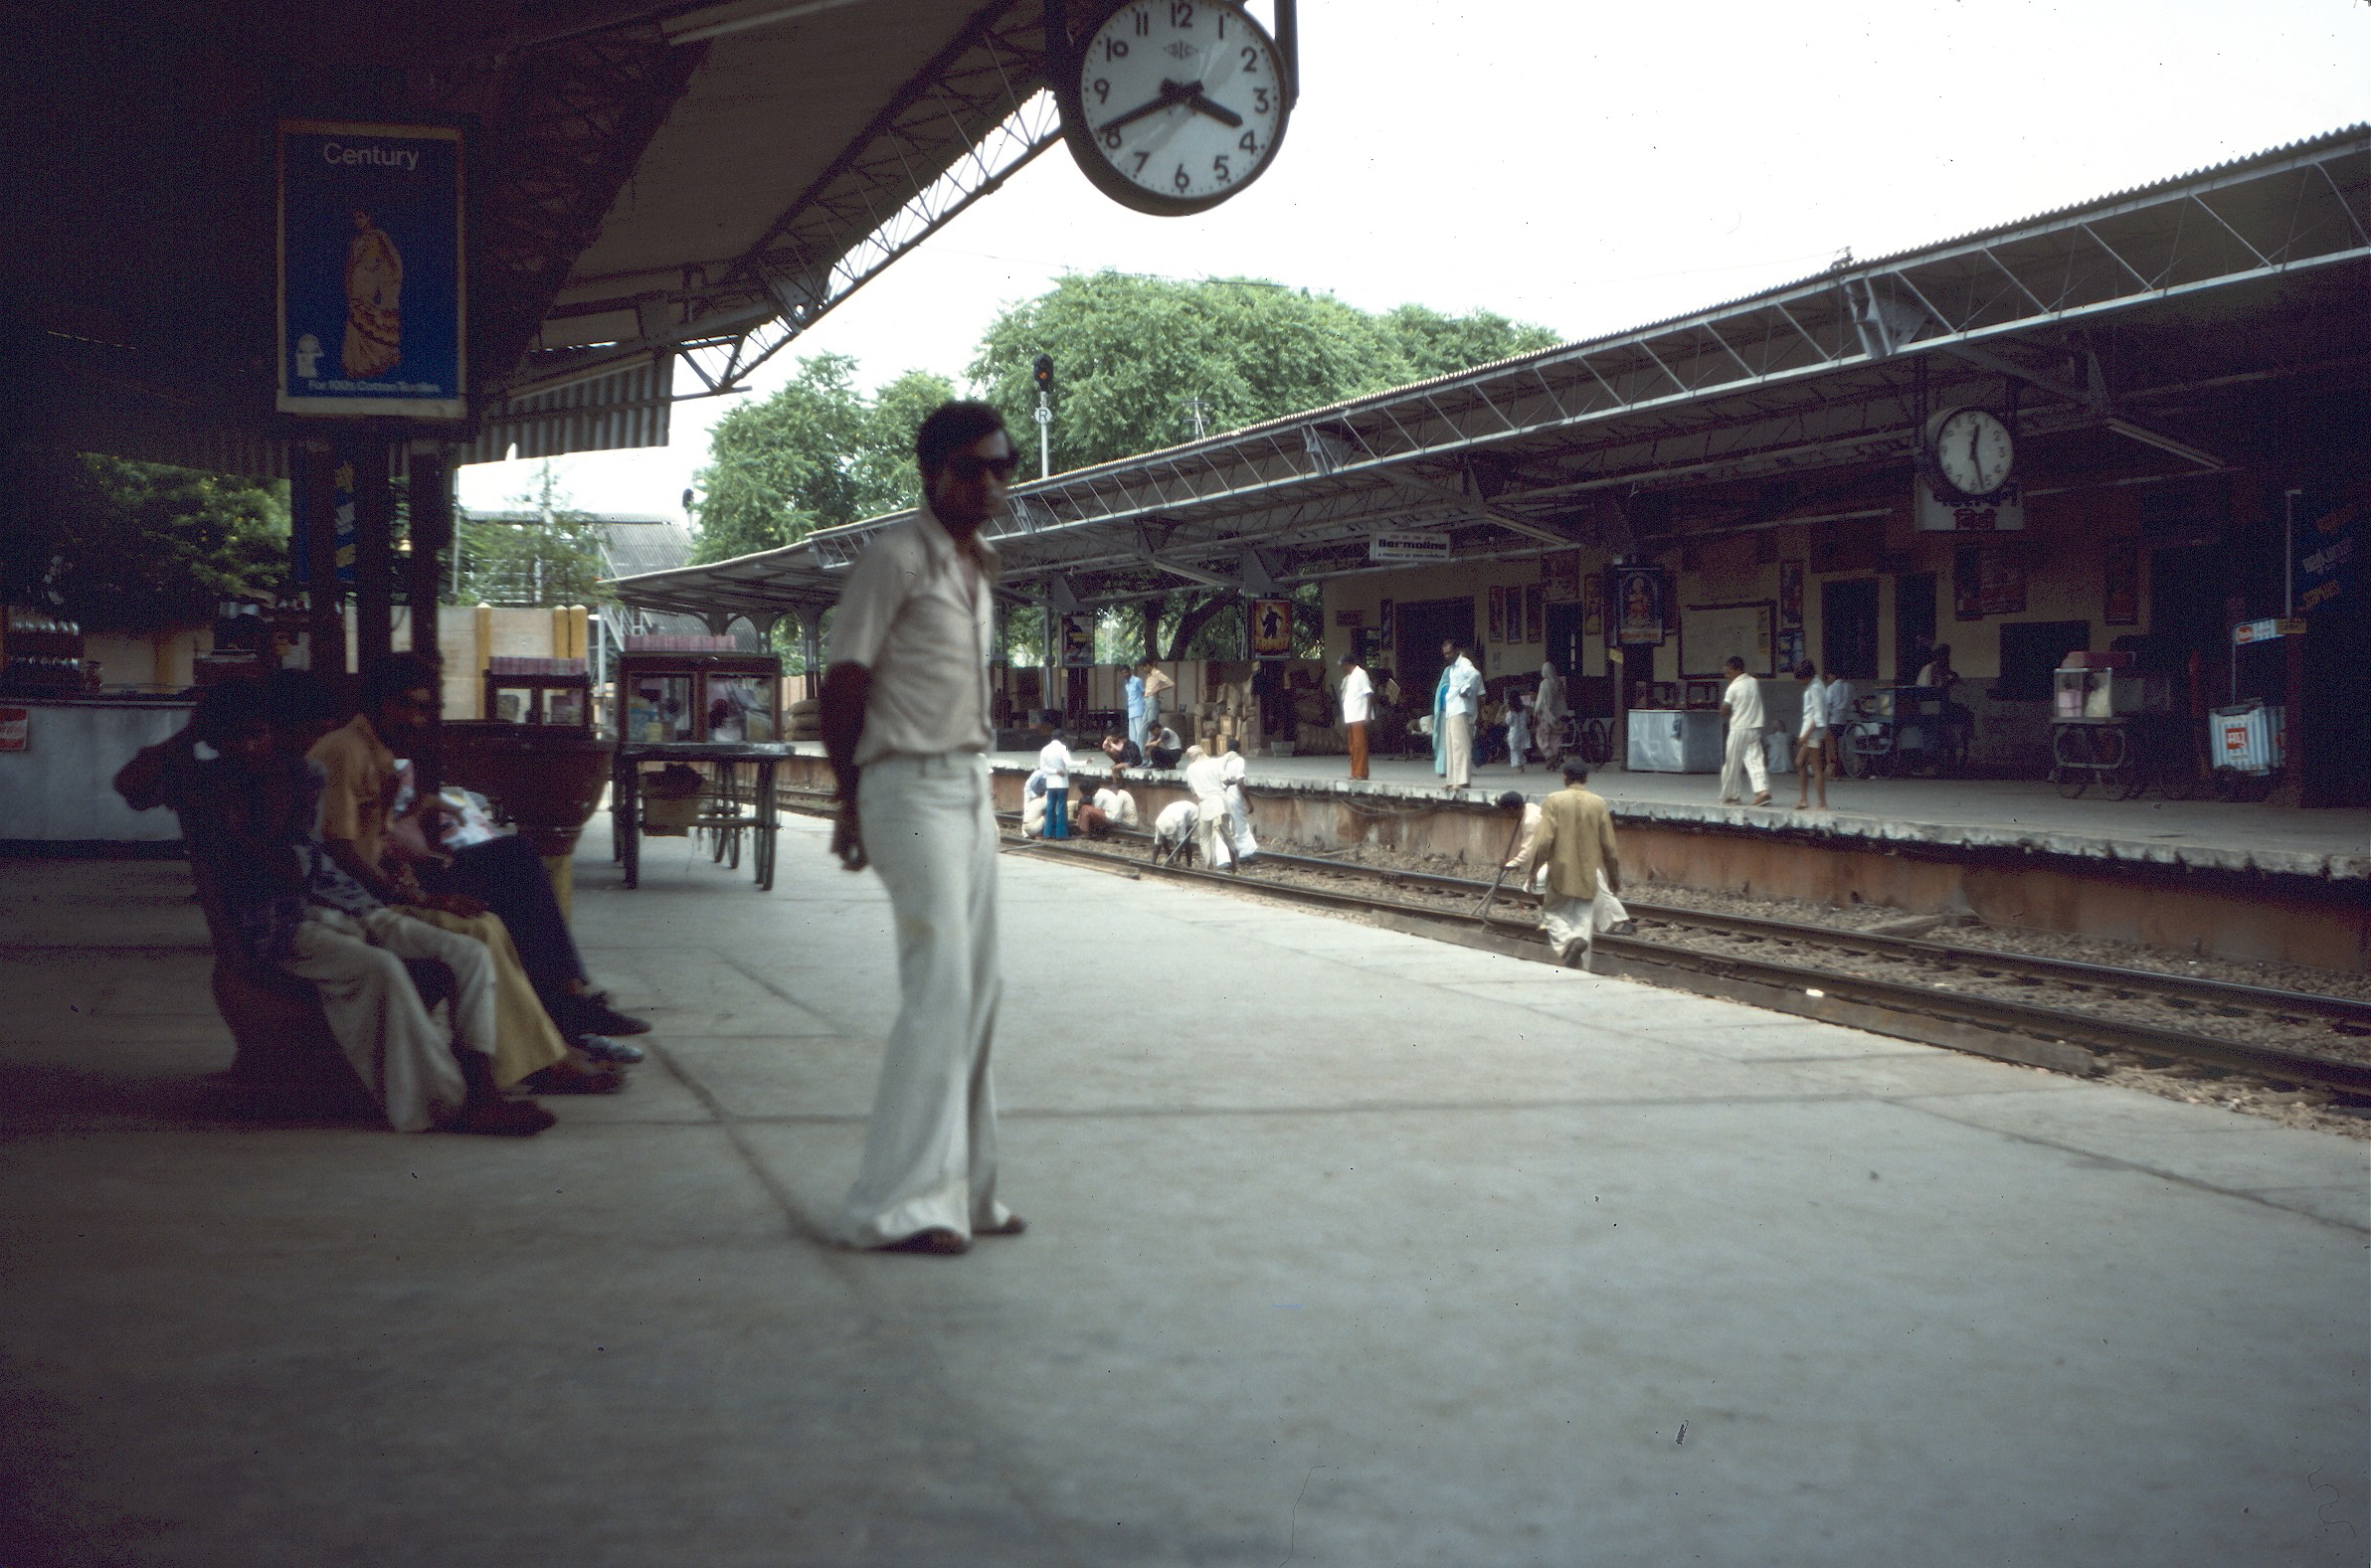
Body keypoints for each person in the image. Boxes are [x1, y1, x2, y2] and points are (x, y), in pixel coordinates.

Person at [116, 680, 554, 1134]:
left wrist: (396, 901)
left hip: (347, 908)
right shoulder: (205, 782)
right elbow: (129, 785)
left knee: (470, 953)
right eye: (289, 735)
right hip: (282, 928)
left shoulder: (304, 776)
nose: (305, 746)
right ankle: (451, 1104)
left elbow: (304, 862)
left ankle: (484, 1089)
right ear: (254, 732)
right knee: (382, 969)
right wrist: (193, 735)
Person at [821, 400, 1026, 1256]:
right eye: (973, 467)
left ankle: (970, 1192)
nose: (990, 482)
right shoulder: (894, 558)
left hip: (968, 789)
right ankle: (896, 1204)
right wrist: (847, 796)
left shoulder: (979, 565)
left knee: (979, 989)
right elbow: (844, 681)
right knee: (939, 988)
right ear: (933, 472)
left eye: (1002, 466)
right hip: (906, 788)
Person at [315, 653, 649, 1058]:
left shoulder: (381, 752)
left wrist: (418, 860)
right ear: (382, 702)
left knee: (514, 860)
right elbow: (339, 848)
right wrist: (416, 896)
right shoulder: (344, 751)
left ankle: (569, 1004)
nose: (419, 719)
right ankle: (567, 1016)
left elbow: (376, 838)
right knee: (509, 889)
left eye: (427, 708)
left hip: (393, 881)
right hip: (368, 898)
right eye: (411, 706)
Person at [1528, 761, 1631, 967]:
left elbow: (1544, 840)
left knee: (1552, 913)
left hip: (1560, 872)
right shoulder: (1598, 803)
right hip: (1588, 874)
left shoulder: (1553, 800)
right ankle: (1580, 968)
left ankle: (1568, 941)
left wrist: (1534, 869)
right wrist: (1613, 877)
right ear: (1586, 779)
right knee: (1583, 919)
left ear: (1564, 776)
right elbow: (1609, 847)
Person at [1718, 655, 1772, 806]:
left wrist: (1722, 711)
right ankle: (1763, 791)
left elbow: (1724, 710)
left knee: (1732, 764)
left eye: (1728, 673)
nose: (1727, 676)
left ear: (1737, 670)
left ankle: (1731, 796)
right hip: (1754, 728)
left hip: (1738, 729)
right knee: (1755, 761)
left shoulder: (1733, 687)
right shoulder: (1753, 682)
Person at [1181, 744, 1238, 871]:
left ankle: (1210, 867)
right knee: (1227, 836)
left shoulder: (1190, 769)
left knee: (1205, 839)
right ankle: (1235, 867)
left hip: (1205, 806)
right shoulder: (1215, 763)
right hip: (1221, 804)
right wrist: (1232, 781)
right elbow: (1226, 781)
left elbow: (1193, 792)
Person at [1435, 641, 1483, 790]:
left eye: (1450, 652)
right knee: (1450, 746)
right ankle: (1452, 780)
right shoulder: (1451, 669)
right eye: (1445, 654)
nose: (1448, 656)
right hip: (1451, 710)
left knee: (1460, 746)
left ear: (1456, 650)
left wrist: (1465, 689)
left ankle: (1462, 780)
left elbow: (1475, 674)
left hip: (1460, 709)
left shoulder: (1464, 663)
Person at [1035, 714, 1084, 840]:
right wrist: (1084, 762)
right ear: (1062, 738)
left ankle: (1047, 833)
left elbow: (1042, 767)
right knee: (1062, 807)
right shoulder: (1063, 748)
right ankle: (1061, 834)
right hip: (1062, 783)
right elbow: (1069, 764)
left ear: (1052, 737)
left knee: (1050, 807)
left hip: (1050, 783)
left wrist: (1053, 771)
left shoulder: (1045, 749)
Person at [1792, 659, 1830, 811]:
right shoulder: (1815, 685)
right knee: (1800, 762)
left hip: (1813, 733)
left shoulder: (1815, 688)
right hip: (1811, 732)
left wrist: (1805, 736)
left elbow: (1817, 715)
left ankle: (1821, 803)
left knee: (1816, 768)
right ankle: (1803, 799)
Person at [1338, 652, 1373, 781]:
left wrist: (1367, 714)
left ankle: (1361, 772)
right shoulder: (1351, 676)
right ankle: (1354, 771)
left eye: (1342, 665)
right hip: (1351, 716)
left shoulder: (1360, 674)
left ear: (1348, 664)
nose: (1342, 668)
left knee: (1360, 745)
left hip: (1359, 715)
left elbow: (1369, 694)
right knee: (1352, 746)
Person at [1219, 747, 1258, 864]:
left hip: (1222, 798)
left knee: (1226, 827)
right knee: (1241, 825)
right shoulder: (1239, 760)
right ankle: (1245, 854)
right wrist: (1249, 802)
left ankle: (1225, 857)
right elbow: (1240, 782)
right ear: (1239, 748)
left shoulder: (1222, 760)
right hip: (1234, 798)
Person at [1535, 660, 1567, 762]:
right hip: (1558, 715)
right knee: (1556, 736)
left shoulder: (1544, 684)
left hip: (1546, 714)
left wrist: (1536, 713)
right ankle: (1556, 754)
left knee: (1542, 736)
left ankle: (1549, 755)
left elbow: (1541, 701)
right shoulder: (1558, 683)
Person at [1150, 798, 1200, 865]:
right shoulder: (1159, 822)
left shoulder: (1179, 821)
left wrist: (1177, 861)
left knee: (1187, 841)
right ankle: (1170, 857)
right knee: (1162, 838)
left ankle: (1189, 864)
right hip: (1177, 812)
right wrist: (1152, 862)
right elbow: (1158, 843)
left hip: (1192, 815)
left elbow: (1181, 840)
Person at [1505, 691, 1534, 775]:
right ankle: (1521, 765)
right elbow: (1528, 720)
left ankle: (1518, 766)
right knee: (1521, 749)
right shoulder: (1524, 711)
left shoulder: (1510, 712)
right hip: (1523, 732)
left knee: (1514, 750)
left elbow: (1508, 722)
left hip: (1514, 732)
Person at [1123, 665, 1147, 753]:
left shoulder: (1137, 680)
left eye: (1126, 672)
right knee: (1132, 734)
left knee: (1140, 733)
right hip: (1131, 710)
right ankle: (1134, 753)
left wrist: (1145, 706)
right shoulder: (1126, 683)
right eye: (1123, 673)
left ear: (1130, 671)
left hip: (1138, 708)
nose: (1125, 674)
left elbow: (1143, 693)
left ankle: (1141, 752)